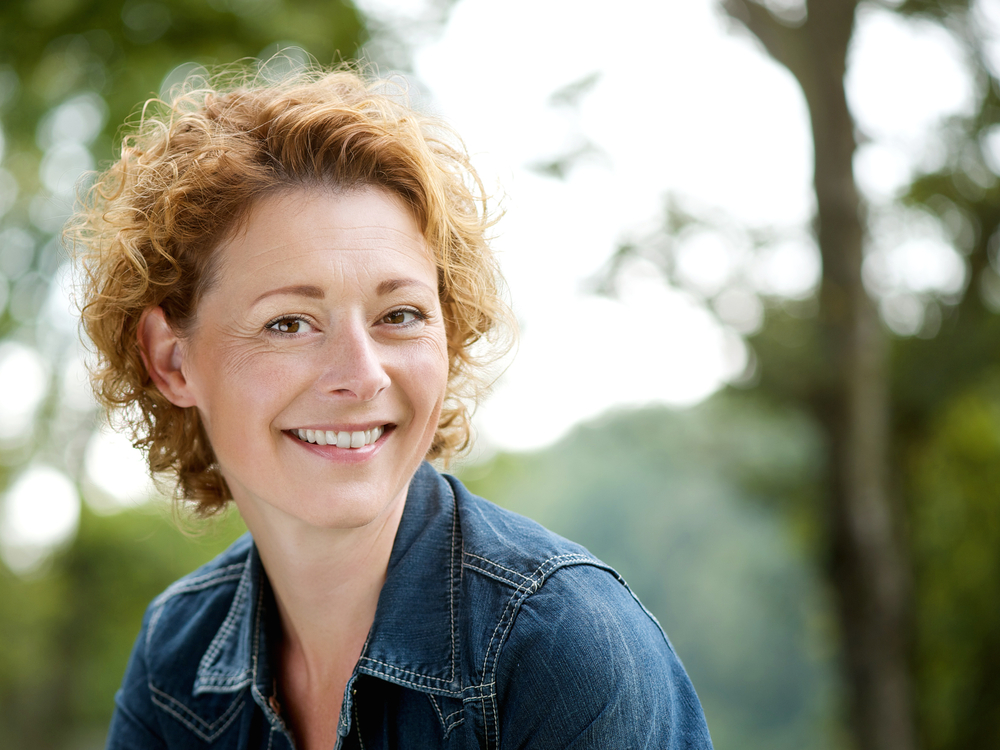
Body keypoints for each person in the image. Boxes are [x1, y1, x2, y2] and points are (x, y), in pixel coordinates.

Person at [72, 65, 714, 749]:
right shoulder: (177, 660)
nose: (361, 374)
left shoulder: (564, 648)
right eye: (289, 322)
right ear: (171, 360)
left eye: (400, 314)